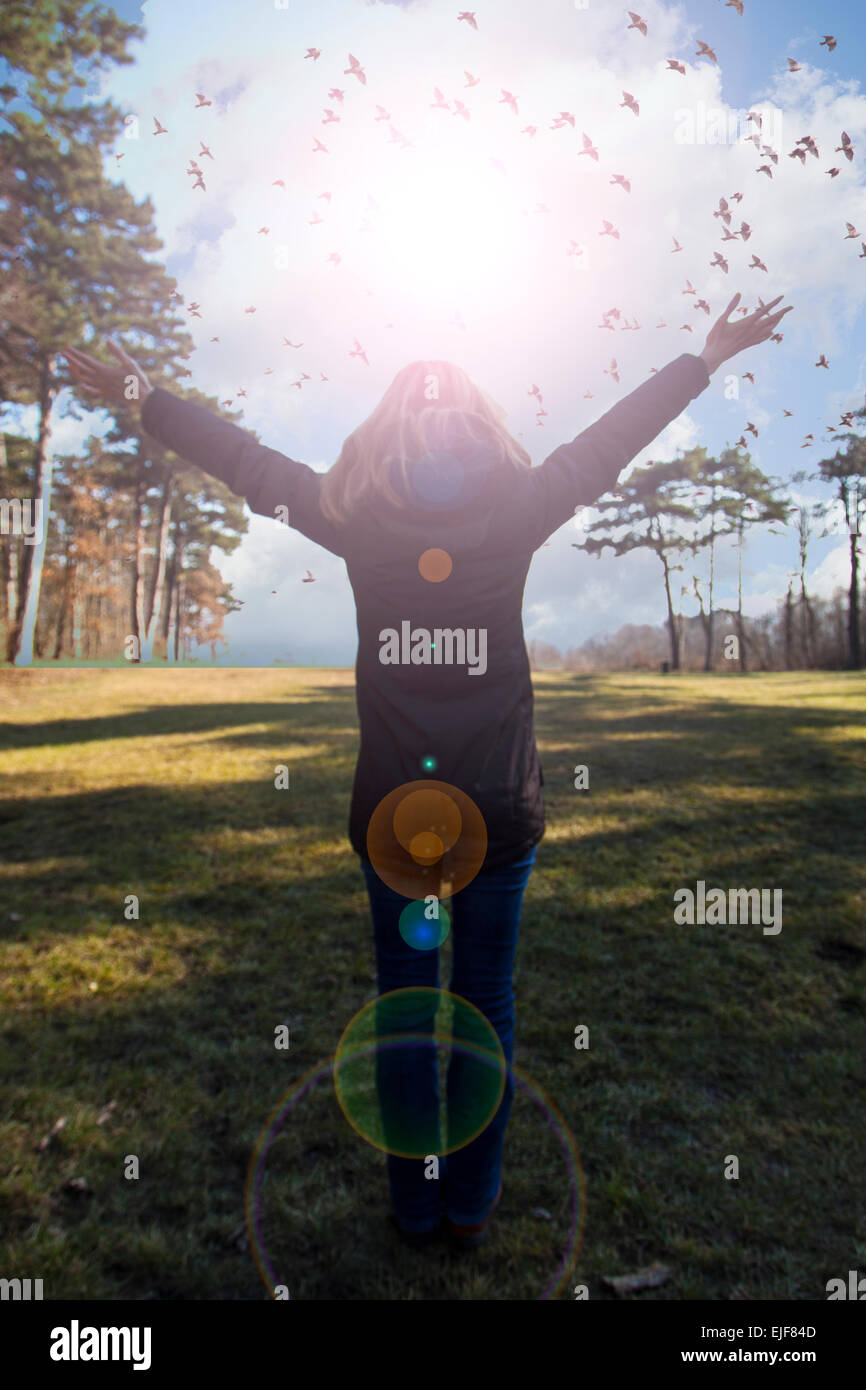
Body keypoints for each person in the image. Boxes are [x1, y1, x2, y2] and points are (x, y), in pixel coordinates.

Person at [63, 290, 791, 1248]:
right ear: (483, 428)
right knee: (485, 1003)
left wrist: (144, 398)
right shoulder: (520, 507)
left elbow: (249, 462)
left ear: (390, 433)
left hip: (397, 819)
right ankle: (471, 1208)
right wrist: (699, 360)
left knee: (406, 1013)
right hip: (498, 811)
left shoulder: (353, 516)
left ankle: (416, 1209)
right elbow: (609, 441)